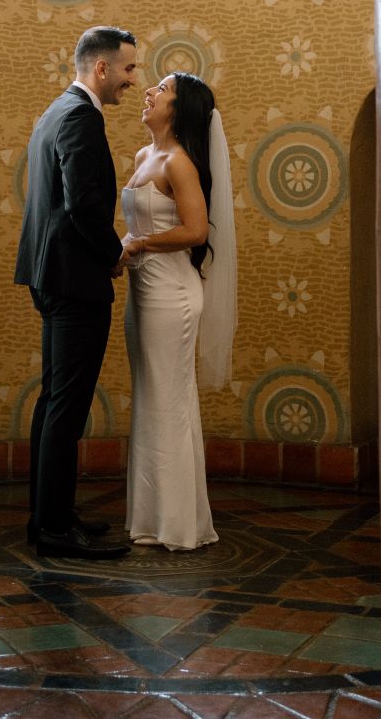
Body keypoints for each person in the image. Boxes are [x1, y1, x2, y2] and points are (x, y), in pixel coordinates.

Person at [14, 26, 138, 559]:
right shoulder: (82, 118)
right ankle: (56, 531)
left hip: (50, 275)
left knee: (53, 403)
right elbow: (85, 204)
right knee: (67, 406)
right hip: (75, 281)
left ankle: (49, 516)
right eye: (129, 69)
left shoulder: (54, 110)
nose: (134, 80)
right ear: (102, 68)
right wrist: (114, 254)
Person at [121, 71, 237, 551]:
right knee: (152, 397)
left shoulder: (181, 162)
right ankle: (151, 518)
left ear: (180, 109)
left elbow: (195, 231)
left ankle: (178, 525)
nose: (149, 92)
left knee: (168, 400)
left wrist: (140, 242)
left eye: (162, 90)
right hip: (141, 291)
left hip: (172, 294)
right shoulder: (144, 155)